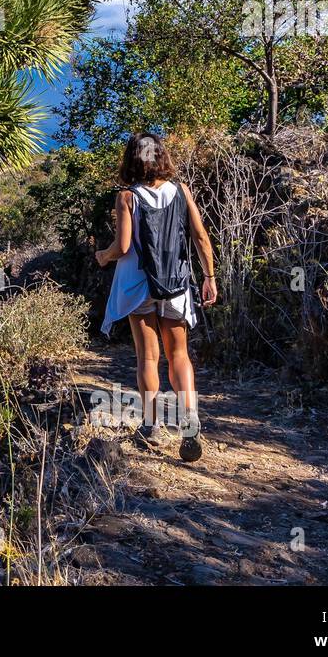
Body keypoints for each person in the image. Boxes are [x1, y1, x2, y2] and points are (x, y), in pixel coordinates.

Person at [94, 132, 217, 462]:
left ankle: (151, 426)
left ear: (132, 159)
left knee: (148, 358)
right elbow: (201, 238)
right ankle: (189, 421)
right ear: (161, 156)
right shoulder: (182, 192)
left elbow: (122, 247)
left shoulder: (127, 198)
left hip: (138, 285)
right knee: (179, 355)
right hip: (176, 284)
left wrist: (103, 257)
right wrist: (209, 277)